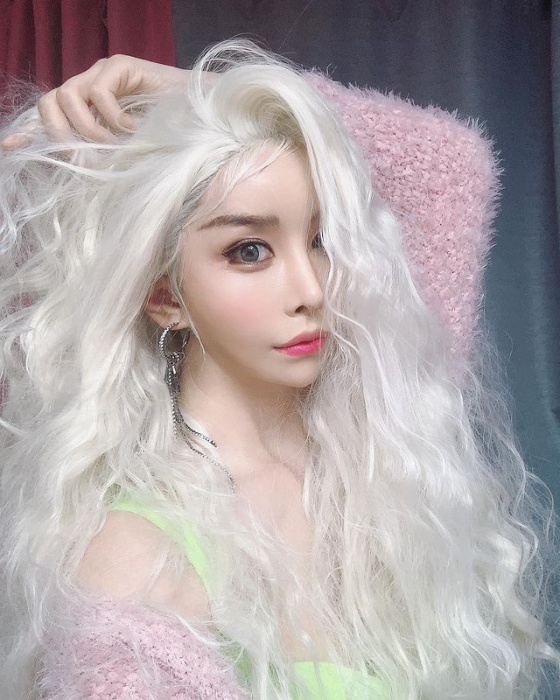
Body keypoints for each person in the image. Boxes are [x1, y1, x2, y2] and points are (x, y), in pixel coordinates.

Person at [0, 41, 558, 700]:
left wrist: (201, 89)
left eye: (323, 240)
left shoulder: (383, 443)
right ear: (164, 295)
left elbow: (448, 165)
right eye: (249, 251)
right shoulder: (138, 564)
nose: (311, 290)